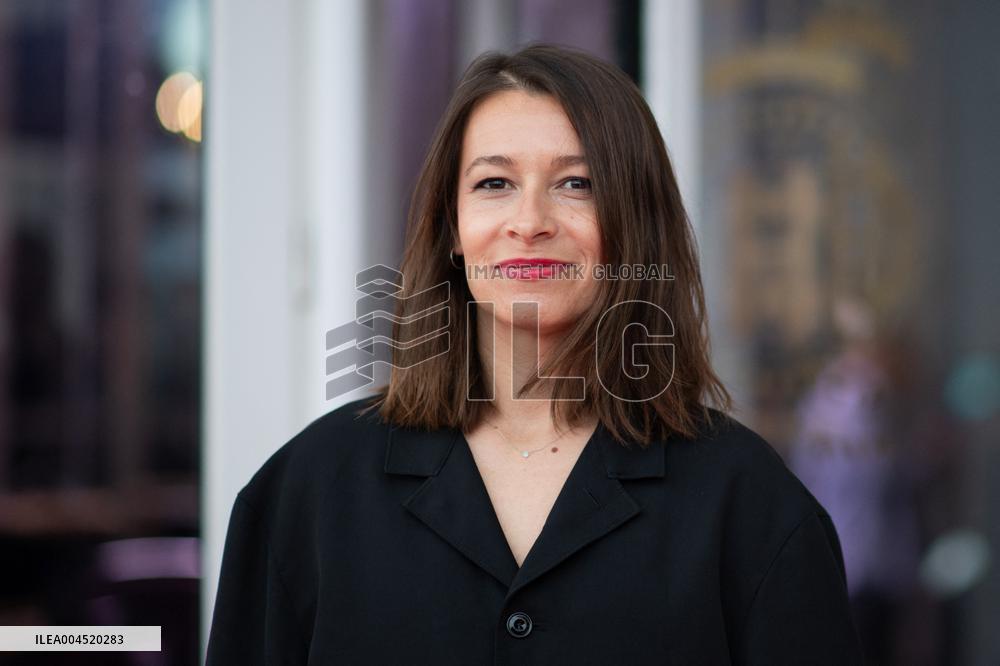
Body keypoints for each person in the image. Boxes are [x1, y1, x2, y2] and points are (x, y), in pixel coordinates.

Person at [205, 43, 864, 665]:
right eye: (494, 184)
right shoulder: (307, 493)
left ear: (635, 222)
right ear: (452, 230)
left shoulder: (752, 504)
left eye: (576, 184)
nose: (530, 221)